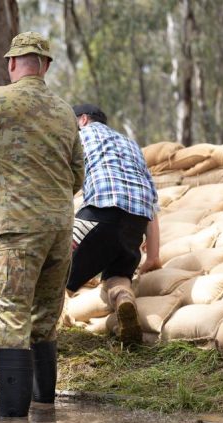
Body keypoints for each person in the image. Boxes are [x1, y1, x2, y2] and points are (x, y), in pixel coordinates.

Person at [0, 31, 84, 418]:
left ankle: (12, 420)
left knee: (11, 311)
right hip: (61, 228)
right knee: (45, 318)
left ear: (12, 64)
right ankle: (45, 404)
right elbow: (78, 175)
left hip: (20, 229)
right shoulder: (64, 110)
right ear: (45, 66)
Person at [67, 104, 161, 345]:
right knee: (117, 276)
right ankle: (124, 301)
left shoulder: (81, 135)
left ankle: (42, 335)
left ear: (83, 120)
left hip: (99, 215)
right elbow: (152, 206)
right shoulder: (131, 145)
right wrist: (152, 256)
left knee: (54, 270)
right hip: (135, 224)